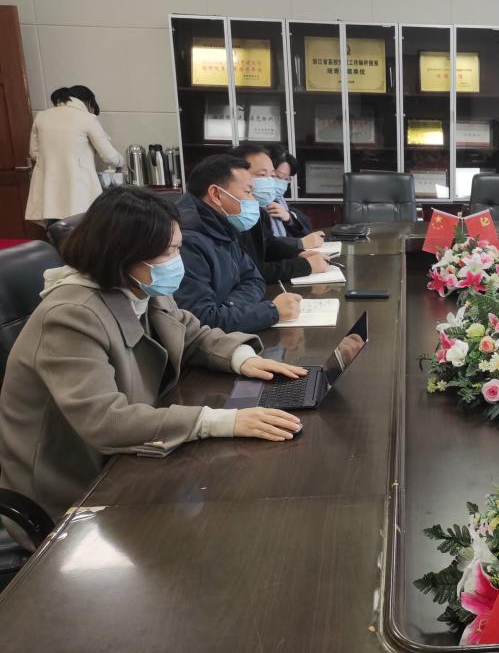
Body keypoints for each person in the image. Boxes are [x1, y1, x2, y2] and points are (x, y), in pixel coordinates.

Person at [0, 187, 306, 545]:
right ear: (124, 254)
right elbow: (105, 420)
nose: (177, 260)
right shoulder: (70, 316)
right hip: (73, 490)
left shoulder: (141, 285)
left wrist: (244, 359)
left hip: (128, 460)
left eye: (177, 248)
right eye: (169, 252)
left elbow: (191, 333)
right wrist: (218, 422)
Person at [174, 154, 301, 333]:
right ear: (216, 194)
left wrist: (228, 308)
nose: (254, 201)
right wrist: (271, 312)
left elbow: (254, 279)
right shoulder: (185, 242)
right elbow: (201, 320)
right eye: (248, 192)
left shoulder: (223, 225)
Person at [24, 86, 123, 227]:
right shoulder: (87, 118)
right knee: (81, 232)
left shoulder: (42, 116)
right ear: (88, 102)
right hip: (78, 190)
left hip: (49, 192)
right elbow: (109, 156)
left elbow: (34, 153)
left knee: (56, 231)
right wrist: (121, 163)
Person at [228, 144, 329, 282]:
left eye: (272, 176)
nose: (271, 182)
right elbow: (250, 271)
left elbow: (269, 246)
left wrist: (298, 254)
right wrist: (304, 265)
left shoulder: (258, 210)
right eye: (262, 175)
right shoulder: (233, 216)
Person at [267, 146, 314, 240]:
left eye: (286, 179)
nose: (281, 183)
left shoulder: (280, 202)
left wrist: (289, 218)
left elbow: (306, 225)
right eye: (277, 176)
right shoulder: (254, 205)